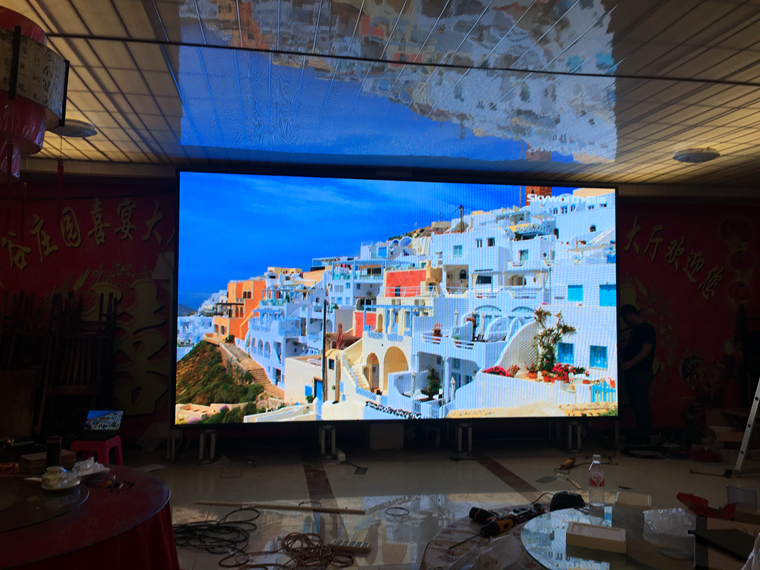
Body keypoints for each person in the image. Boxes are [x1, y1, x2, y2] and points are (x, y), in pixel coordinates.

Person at [620, 304, 656, 446]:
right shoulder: (636, 330)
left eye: (625, 319)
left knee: (641, 404)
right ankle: (640, 433)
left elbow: (646, 350)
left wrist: (629, 364)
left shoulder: (645, 329)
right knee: (636, 404)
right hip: (634, 373)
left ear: (630, 315)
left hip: (640, 372)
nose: (625, 322)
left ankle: (644, 435)